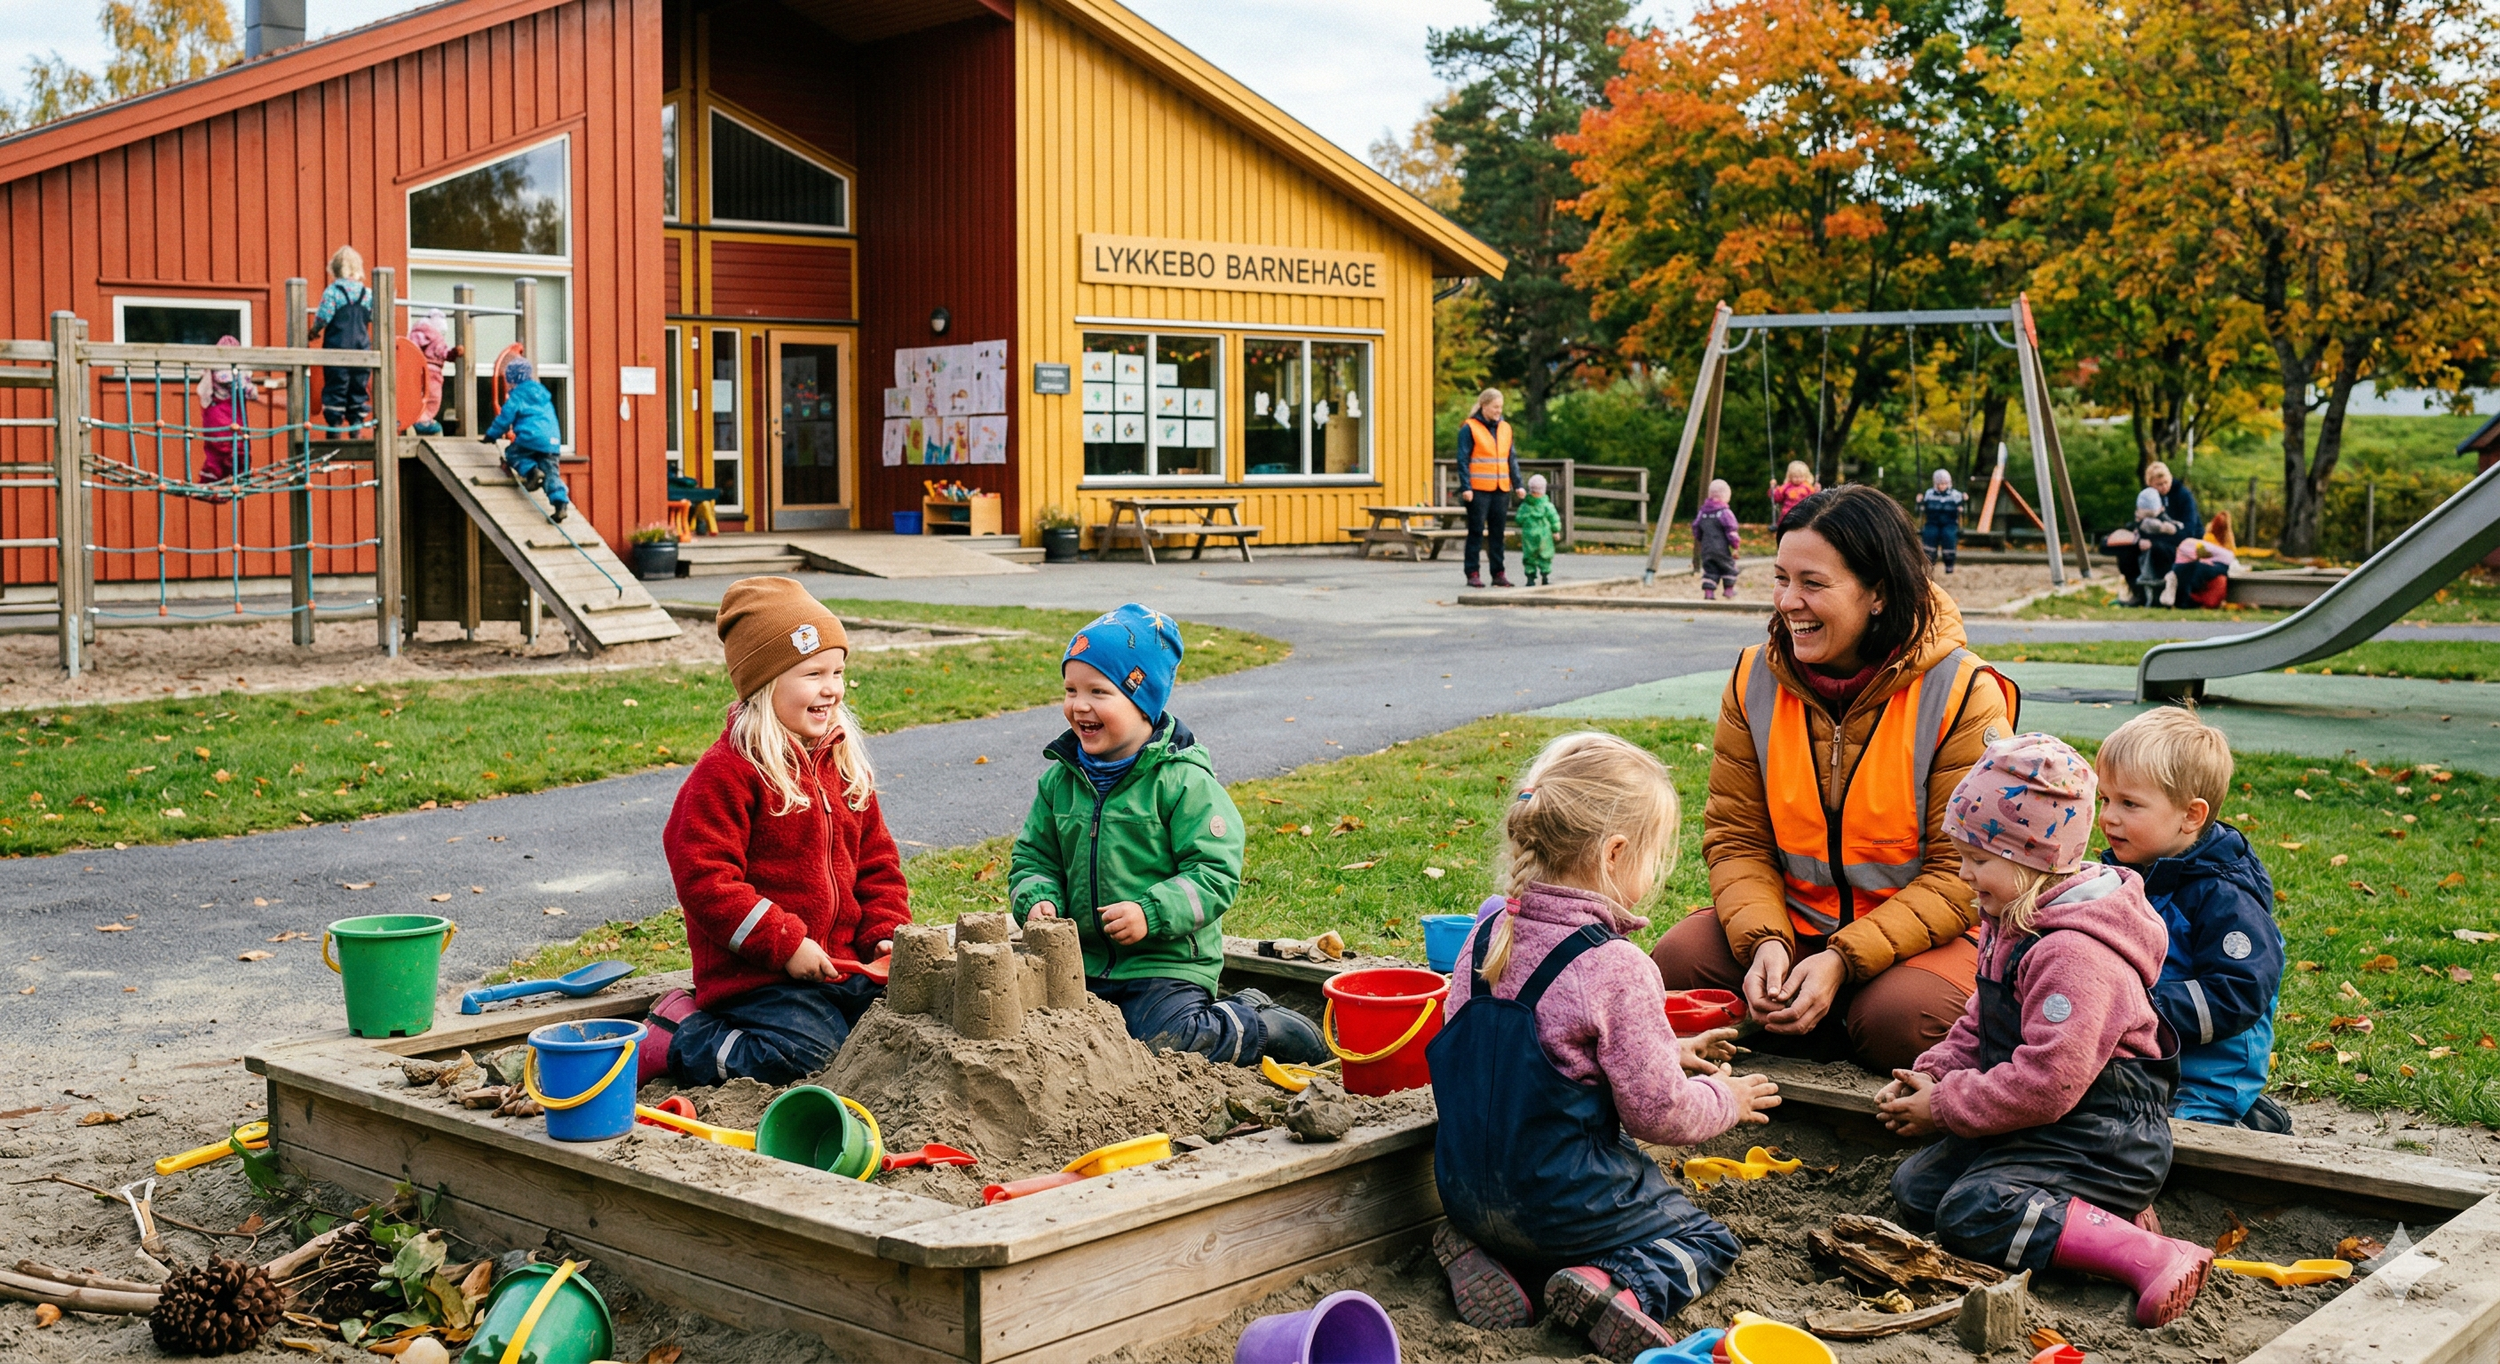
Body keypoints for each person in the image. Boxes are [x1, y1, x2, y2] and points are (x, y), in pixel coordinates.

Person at [1428, 733, 1780, 1361]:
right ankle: (1612, 1286)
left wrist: (1664, 1050)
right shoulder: (1616, 965)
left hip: (1465, 1191)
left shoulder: (1486, 934)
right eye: (1653, 856)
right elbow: (1658, 1115)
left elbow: (1512, 1053)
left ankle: (1488, 1255)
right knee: (1705, 1239)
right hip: (1563, 1201)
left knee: (1535, 1218)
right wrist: (1724, 1097)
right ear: (1615, 853)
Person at [1652, 485, 2019, 1075]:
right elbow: (1738, 839)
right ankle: (1816, 1016)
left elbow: (1963, 874)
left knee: (1900, 1021)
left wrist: (1844, 960)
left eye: (1813, 584)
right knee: (1675, 965)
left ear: (1878, 593)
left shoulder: (1963, 691)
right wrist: (1765, 942)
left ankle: (1846, 1019)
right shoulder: (1752, 678)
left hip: (1927, 943)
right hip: (1794, 925)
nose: (1788, 602)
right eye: (1781, 579)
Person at [1880, 732, 2212, 1330]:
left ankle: (2148, 1252)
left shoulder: (2073, 953)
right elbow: (1980, 1023)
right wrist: (1930, 1074)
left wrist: (1947, 1106)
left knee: (1973, 1213)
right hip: (2039, 1120)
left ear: (2033, 859)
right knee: (1917, 1190)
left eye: (1979, 859)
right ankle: (2094, 1217)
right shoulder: (2011, 915)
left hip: (2103, 1136)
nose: (1964, 873)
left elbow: (2048, 1083)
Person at [1011, 604, 1324, 1066]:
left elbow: (1214, 872)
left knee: (1165, 1043)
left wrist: (1151, 912)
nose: (1079, 705)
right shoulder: (1060, 782)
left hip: (1164, 964)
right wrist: (1038, 898)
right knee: (1038, 1031)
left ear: (1143, 702)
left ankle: (1256, 1021)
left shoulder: (1182, 782)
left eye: (1099, 691)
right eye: (1071, 690)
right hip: (1079, 963)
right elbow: (1033, 858)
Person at [650, 578, 910, 1085]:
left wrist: (885, 934)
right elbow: (706, 880)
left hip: (841, 965)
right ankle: (681, 1035)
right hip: (758, 975)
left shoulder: (843, 764)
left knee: (896, 1027)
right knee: (809, 1055)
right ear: (765, 684)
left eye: (838, 672)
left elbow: (877, 863)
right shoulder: (728, 773)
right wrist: (786, 944)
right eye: (813, 674)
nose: (832, 688)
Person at [2095, 708, 2288, 1131]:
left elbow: (2239, 990)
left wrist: (2144, 1009)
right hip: (2143, 1056)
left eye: (2129, 803)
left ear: (2191, 816)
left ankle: (2243, 1119)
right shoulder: (2127, 874)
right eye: (2105, 799)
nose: (2108, 817)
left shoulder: (2224, 897)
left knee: (2165, 1141)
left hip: (2205, 1074)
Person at [485, 355, 570, 523]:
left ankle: (532, 472)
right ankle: (560, 504)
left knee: (514, 454)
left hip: (531, 437)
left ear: (512, 380)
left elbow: (505, 418)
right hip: (552, 441)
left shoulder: (517, 395)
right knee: (551, 472)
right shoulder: (543, 395)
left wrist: (491, 435)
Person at [2106, 461, 2200, 606]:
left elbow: (2188, 531)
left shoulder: (2184, 496)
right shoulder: (2147, 498)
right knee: (2126, 552)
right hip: (2153, 540)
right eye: (2159, 484)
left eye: (2166, 482)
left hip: (2179, 544)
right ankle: (2138, 593)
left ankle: (2163, 594)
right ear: (2150, 484)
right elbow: (2142, 524)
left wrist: (2153, 541)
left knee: (2158, 550)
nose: (2164, 487)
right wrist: (2140, 537)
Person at [1456, 388, 1523, 589]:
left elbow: (1511, 459)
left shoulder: (1506, 428)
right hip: (1478, 490)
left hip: (1501, 489)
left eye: (1500, 407)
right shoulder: (1469, 428)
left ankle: (1498, 573)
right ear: (1484, 406)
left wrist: (1518, 484)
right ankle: (1472, 573)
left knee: (1497, 533)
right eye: (1495, 407)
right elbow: (1462, 459)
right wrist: (1466, 487)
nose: (1498, 411)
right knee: (1476, 531)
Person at [314, 245, 374, 435]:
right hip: (361, 349)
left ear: (335, 268)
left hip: (337, 347)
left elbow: (323, 317)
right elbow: (375, 316)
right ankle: (356, 427)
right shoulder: (367, 294)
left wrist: (314, 331)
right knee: (358, 387)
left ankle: (335, 427)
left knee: (335, 387)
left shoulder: (333, 291)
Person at [406, 309, 461, 436]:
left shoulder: (418, 334)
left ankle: (417, 419)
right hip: (431, 373)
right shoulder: (435, 338)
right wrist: (454, 353)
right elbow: (445, 353)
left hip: (417, 371)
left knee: (419, 396)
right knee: (432, 397)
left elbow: (411, 347)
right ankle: (423, 419)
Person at [2166, 514, 2238, 609]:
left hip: (2193, 573)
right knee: (2218, 574)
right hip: (2195, 578)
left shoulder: (2199, 543)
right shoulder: (2207, 545)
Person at [1693, 478, 1741, 599]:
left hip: (1707, 548)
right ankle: (1728, 590)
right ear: (1725, 496)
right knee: (1728, 567)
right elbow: (1731, 530)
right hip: (1721, 549)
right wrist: (1735, 545)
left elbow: (1696, 527)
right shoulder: (1724, 512)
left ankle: (1709, 593)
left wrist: (1700, 539)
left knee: (1709, 569)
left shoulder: (1703, 512)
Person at [1917, 469, 1968, 574]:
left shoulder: (1955, 495)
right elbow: (1921, 509)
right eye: (1939, 484)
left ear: (1948, 483)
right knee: (1929, 538)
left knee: (1949, 537)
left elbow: (1964, 509)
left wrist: (1964, 502)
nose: (1942, 486)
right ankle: (1929, 564)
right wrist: (1919, 502)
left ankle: (1949, 565)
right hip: (1932, 522)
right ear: (1935, 484)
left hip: (1950, 523)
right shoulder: (1929, 494)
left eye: (1944, 484)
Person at [1514, 473, 1561, 587]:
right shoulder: (1547, 506)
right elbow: (1554, 519)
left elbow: (1518, 519)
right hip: (1545, 535)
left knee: (1529, 556)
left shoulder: (1525, 506)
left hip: (1529, 535)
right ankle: (1545, 576)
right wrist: (1556, 530)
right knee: (1545, 555)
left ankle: (1530, 578)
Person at [1768, 460, 1819, 527]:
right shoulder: (1786, 487)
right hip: (1787, 514)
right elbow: (1777, 497)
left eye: (1801, 477)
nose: (1798, 479)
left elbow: (1814, 498)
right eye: (1795, 477)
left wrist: (1817, 490)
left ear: (1805, 476)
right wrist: (1773, 489)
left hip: (1802, 514)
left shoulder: (1808, 487)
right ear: (1790, 477)